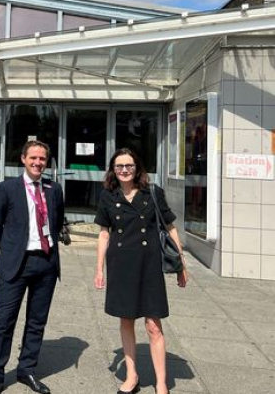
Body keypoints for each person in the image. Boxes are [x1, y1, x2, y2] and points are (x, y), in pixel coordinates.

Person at [94, 148, 188, 394]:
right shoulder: (107, 195)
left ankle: (161, 383)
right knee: (126, 320)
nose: (124, 170)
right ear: (113, 170)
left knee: (153, 325)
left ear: (137, 168)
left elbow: (170, 227)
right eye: (119, 166)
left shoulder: (153, 193)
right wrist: (99, 269)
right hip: (121, 264)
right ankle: (132, 375)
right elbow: (104, 233)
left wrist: (180, 263)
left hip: (148, 265)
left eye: (129, 166)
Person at [0, 140, 65, 394]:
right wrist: (10, 248)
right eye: (33, 158)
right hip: (16, 264)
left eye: (42, 159)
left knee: (37, 321)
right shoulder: (8, 188)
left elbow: (57, 220)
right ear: (23, 159)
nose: (38, 163)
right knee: (4, 321)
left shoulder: (54, 189)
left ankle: (27, 369)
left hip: (46, 263)